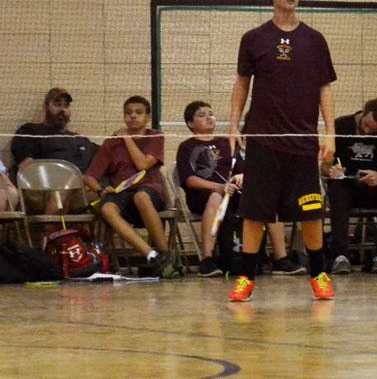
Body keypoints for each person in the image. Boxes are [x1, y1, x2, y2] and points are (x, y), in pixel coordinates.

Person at [228, 0, 337, 303]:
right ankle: (245, 277)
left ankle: (318, 274)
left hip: (302, 142)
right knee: (255, 211)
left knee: (310, 210)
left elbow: (325, 88)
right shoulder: (254, 38)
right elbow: (242, 83)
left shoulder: (315, 40)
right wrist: (233, 124)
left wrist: (330, 132)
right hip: (262, 140)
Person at [177, 101, 304, 277]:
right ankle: (207, 260)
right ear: (190, 123)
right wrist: (220, 187)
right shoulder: (186, 147)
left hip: (233, 194)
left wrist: (243, 176)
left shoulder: (226, 143)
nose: (208, 117)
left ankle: (280, 259)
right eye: (201, 115)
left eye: (210, 113)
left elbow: (244, 168)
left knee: (267, 198)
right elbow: (190, 180)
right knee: (215, 197)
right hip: (204, 196)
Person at [83, 96, 177, 278]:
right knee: (107, 208)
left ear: (148, 117)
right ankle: (153, 256)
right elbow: (90, 176)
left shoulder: (155, 136)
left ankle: (166, 255)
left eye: (138, 113)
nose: (133, 116)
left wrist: (126, 138)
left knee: (141, 197)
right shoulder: (111, 143)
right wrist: (100, 189)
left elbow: (143, 164)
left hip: (150, 192)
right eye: (128, 113)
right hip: (122, 193)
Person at [322, 98, 377, 275]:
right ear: (363, 113)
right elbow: (324, 166)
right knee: (336, 188)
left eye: (374, 130)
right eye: (366, 125)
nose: (367, 132)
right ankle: (340, 256)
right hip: (346, 184)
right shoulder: (341, 125)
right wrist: (332, 171)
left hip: (372, 186)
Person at [11, 87, 99, 213]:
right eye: (57, 104)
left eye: (66, 106)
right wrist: (64, 179)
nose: (62, 110)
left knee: (109, 195)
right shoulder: (30, 132)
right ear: (46, 107)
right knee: (64, 188)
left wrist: (124, 138)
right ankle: (51, 232)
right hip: (43, 190)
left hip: (80, 191)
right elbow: (26, 168)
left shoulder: (79, 140)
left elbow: (106, 158)